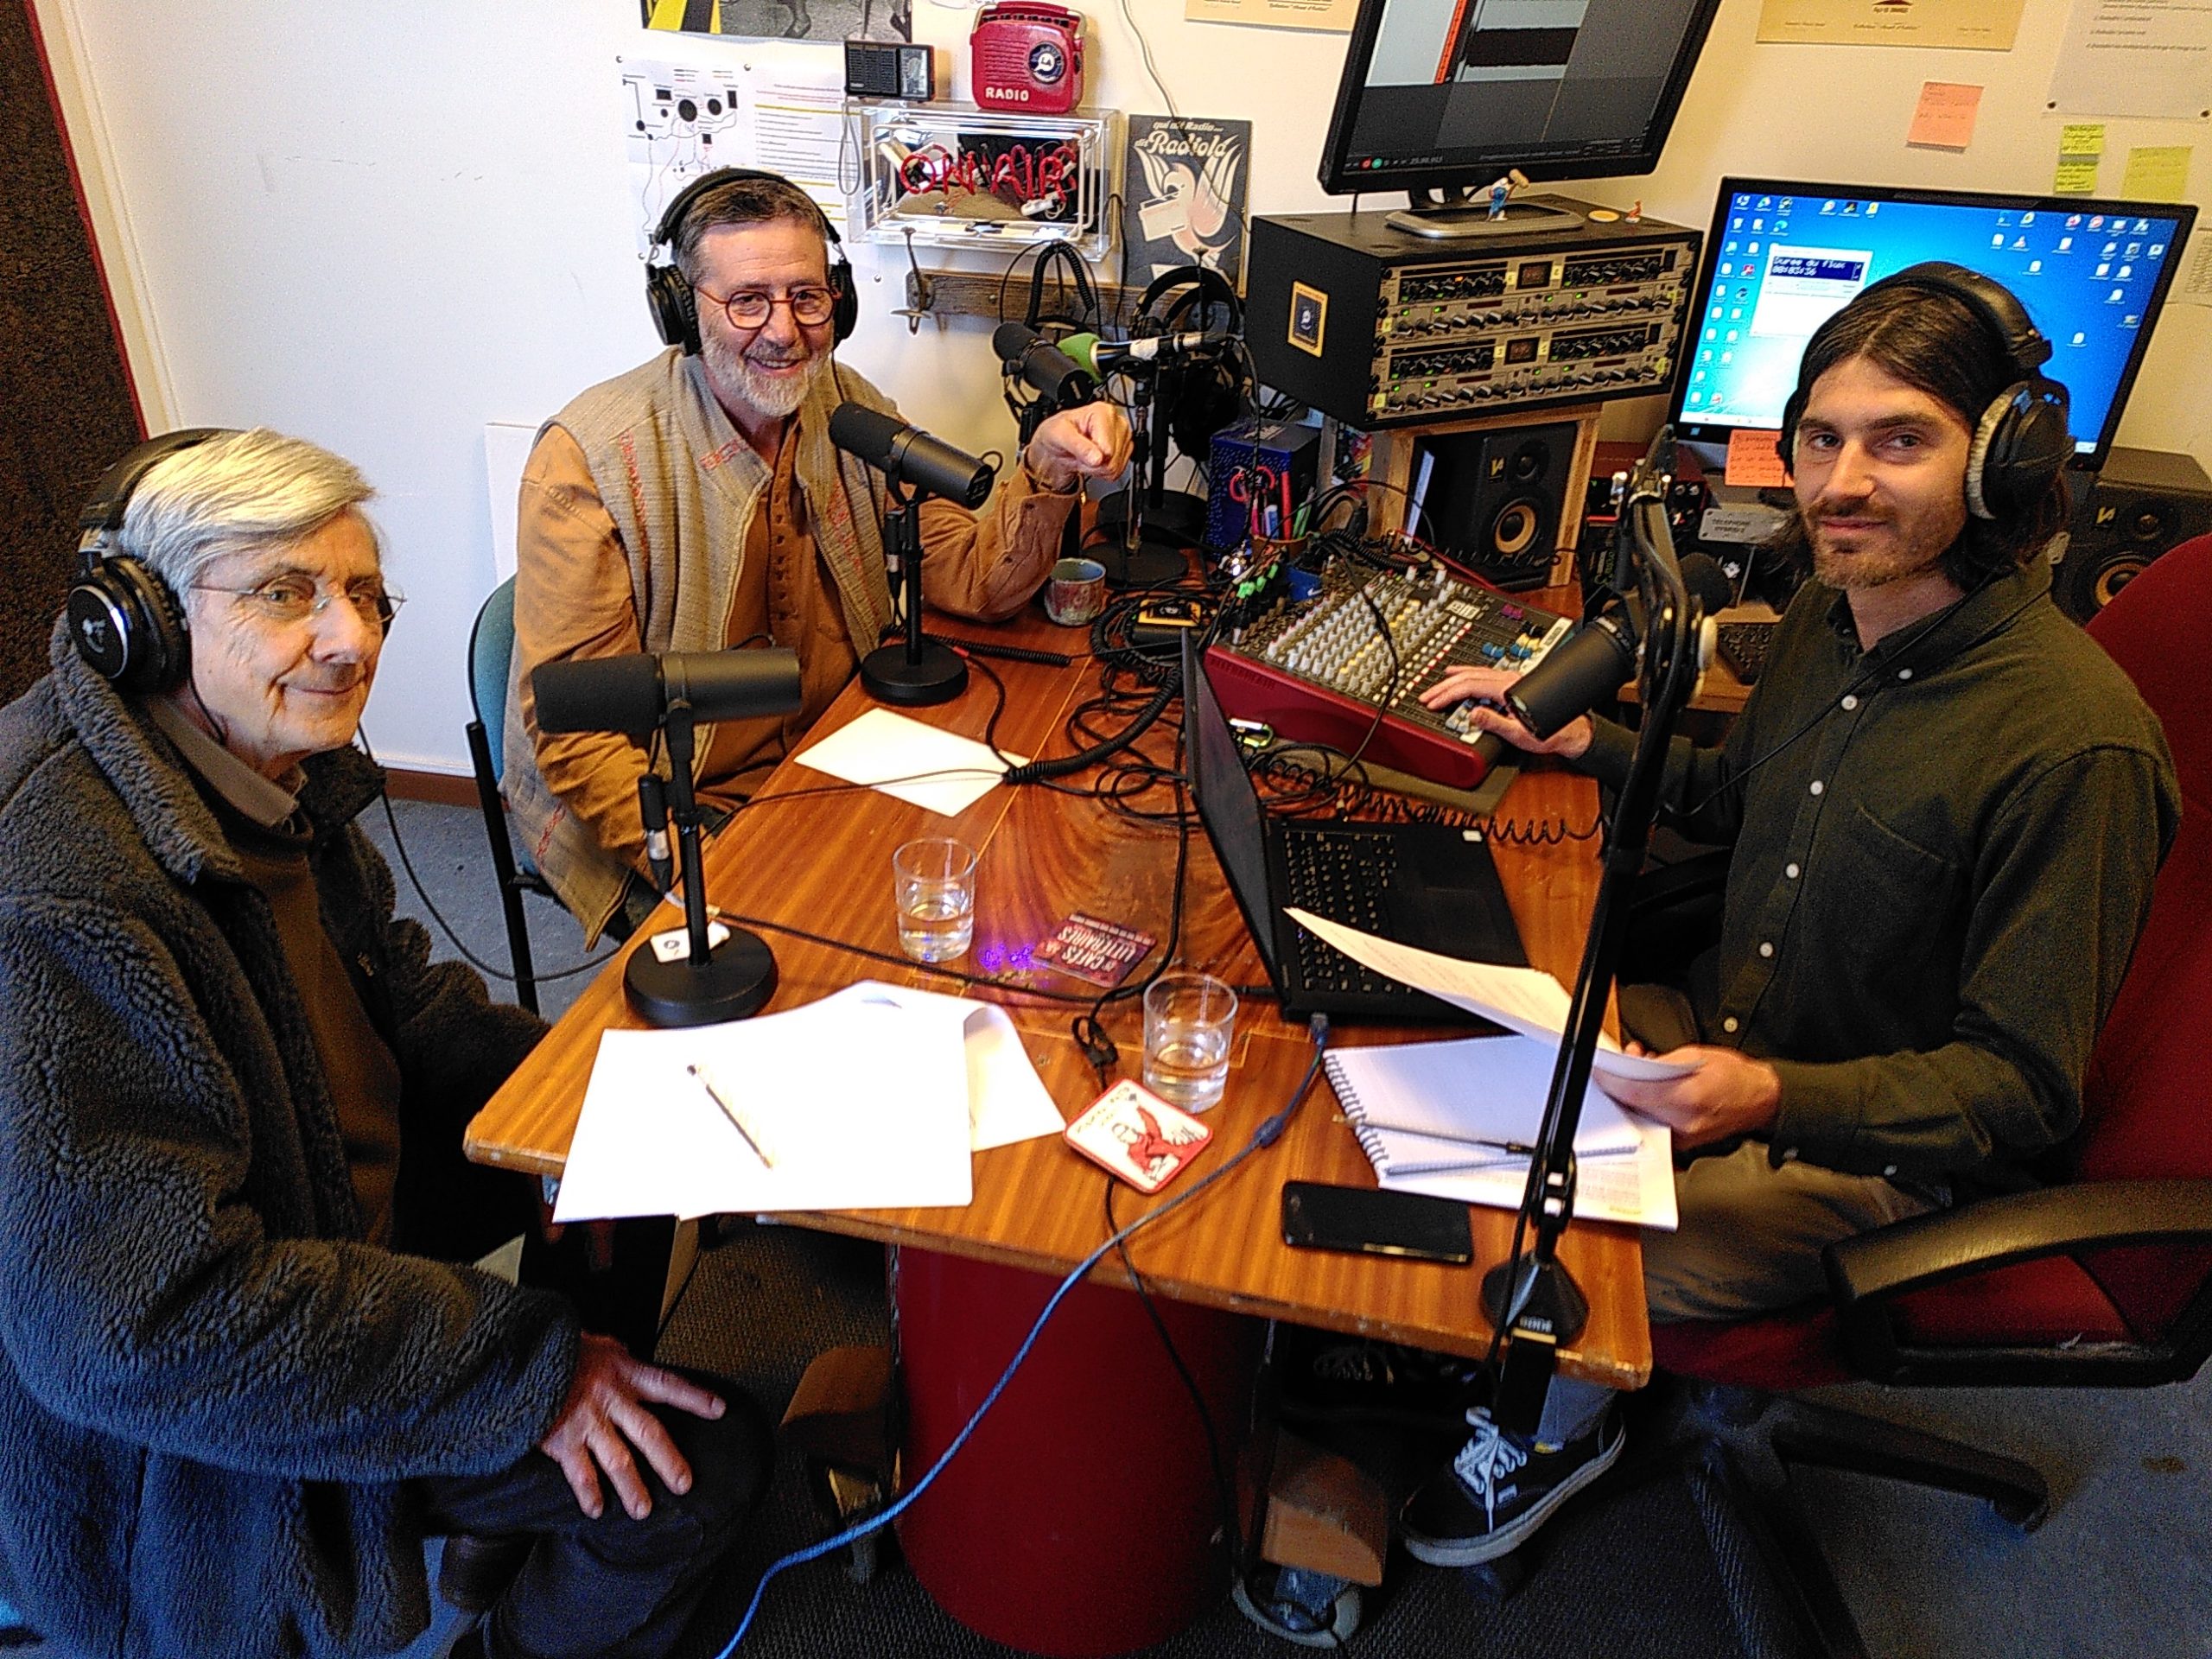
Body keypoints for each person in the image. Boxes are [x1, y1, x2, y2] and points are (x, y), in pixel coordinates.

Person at [1398, 264, 2180, 1566]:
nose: (1840, 484)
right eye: (1821, 439)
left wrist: (1764, 1101)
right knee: (1445, 1069)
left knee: (1554, 1248)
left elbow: (2023, 1090)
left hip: (1881, 1163)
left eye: (1900, 442)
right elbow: (1739, 794)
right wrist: (1593, 742)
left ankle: (1558, 1433)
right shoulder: (1829, 609)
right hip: (1726, 1034)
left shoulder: (2075, 749)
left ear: (2001, 462)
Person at [0, 429, 772, 1659]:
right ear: (134, 619)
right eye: (285, 593)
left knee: (622, 1172)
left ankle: (504, 1514)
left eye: (364, 593)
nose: (353, 638)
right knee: (710, 1463)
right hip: (190, 1438)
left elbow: (407, 1015)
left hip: (316, 1199)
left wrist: (624, 1096)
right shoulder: (58, 893)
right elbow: (145, 1326)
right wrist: (524, 1373)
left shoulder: (259, 771)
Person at [505, 168, 1133, 941]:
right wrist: (705, 856)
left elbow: (973, 577)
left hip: (830, 759)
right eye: (747, 301)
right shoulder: (590, 460)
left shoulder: (850, 407)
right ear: (679, 309)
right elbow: (579, 732)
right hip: (672, 808)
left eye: (806, 297)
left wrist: (1047, 469)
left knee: (1012, 879)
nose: (783, 330)